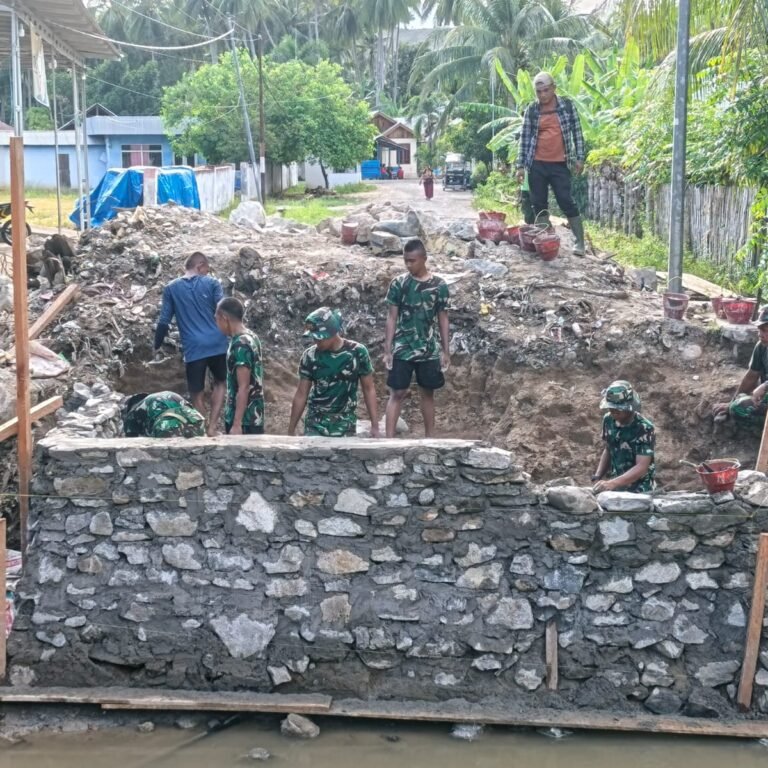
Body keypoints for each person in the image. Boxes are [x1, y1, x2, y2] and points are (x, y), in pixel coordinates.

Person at [154, 252, 228, 436]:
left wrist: (156, 345)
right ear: (200, 265)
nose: (207, 272)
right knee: (220, 383)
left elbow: (164, 320)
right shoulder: (212, 283)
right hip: (218, 343)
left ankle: (202, 429)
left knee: (196, 392)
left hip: (194, 348)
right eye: (206, 269)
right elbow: (223, 311)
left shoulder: (171, 288)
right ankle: (212, 428)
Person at [515, 71, 587, 256]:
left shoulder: (567, 106)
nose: (542, 95)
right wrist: (520, 166)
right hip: (536, 164)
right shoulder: (532, 110)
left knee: (566, 201)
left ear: (554, 88)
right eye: (539, 91)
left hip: (560, 164)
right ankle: (544, 242)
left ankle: (580, 243)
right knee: (538, 204)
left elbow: (577, 132)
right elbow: (524, 138)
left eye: (546, 90)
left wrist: (580, 158)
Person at [384, 239, 450, 438]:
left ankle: (430, 438)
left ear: (424, 259)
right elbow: (391, 316)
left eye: (412, 260)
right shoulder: (399, 284)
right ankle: (388, 440)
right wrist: (388, 348)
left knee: (428, 393)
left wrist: (446, 351)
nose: (408, 265)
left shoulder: (439, 286)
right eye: (406, 261)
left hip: (428, 349)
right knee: (396, 393)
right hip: (403, 349)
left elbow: (443, 318)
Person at [289, 307, 379, 438]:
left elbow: (369, 389)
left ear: (332, 333)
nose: (316, 341)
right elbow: (302, 394)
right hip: (315, 424)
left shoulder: (357, 352)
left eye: (319, 338)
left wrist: (375, 426)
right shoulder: (310, 356)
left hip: (345, 424)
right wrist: (290, 431)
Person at [592, 380, 656, 493]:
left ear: (629, 407)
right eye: (611, 409)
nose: (613, 413)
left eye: (617, 410)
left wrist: (612, 483)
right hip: (617, 487)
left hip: (641, 489)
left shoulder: (644, 428)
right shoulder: (608, 420)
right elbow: (608, 449)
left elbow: (642, 466)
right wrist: (598, 476)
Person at [214, 297, 264, 435]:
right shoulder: (250, 336)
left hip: (246, 421)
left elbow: (244, 387)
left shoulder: (241, 344)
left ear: (224, 318)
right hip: (252, 417)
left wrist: (237, 424)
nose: (216, 324)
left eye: (216, 319)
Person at [713, 305, 768, 425]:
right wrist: (731, 403)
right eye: (759, 330)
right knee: (738, 406)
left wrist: (765, 386)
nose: (760, 334)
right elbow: (752, 376)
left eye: (765, 330)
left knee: (741, 407)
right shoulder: (762, 347)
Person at [121, 391, 205, 438]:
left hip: (167, 428)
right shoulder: (153, 398)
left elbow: (131, 441)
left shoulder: (132, 414)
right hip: (190, 420)